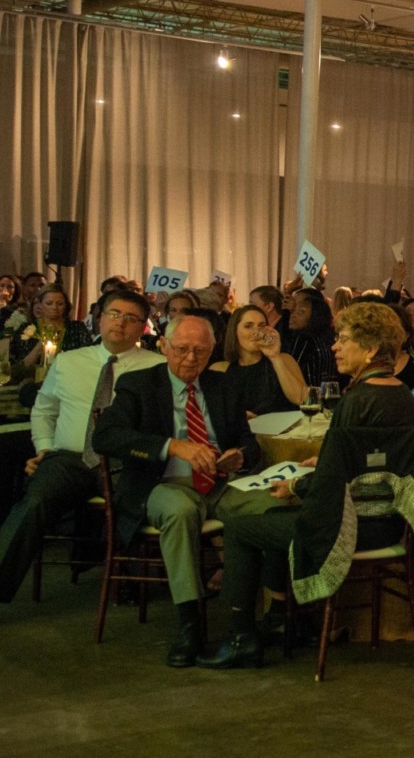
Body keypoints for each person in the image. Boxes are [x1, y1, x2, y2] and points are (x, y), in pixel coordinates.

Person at [198, 301, 414, 669]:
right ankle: (283, 620)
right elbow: (375, 459)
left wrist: (297, 488)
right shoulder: (399, 394)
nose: (334, 346)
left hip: (353, 526)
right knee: (271, 516)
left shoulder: (357, 400)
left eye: (343, 339)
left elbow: (332, 487)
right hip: (390, 522)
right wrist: (326, 463)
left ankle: (241, 636)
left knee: (241, 525)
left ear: (369, 349)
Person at [93, 313, 266, 666]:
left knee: (264, 507)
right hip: (161, 482)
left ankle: (253, 619)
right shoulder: (139, 384)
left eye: (200, 352)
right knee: (181, 512)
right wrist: (172, 446)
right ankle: (190, 623)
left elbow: (251, 442)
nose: (190, 359)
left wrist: (239, 455)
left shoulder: (224, 386)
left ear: (212, 351)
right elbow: (105, 436)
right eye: (182, 350)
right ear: (164, 346)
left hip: (218, 482)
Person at [0, 289, 164, 605]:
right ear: (99, 318)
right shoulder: (69, 361)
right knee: (33, 502)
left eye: (131, 318)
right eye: (115, 314)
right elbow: (45, 409)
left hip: (124, 460)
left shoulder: (157, 368)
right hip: (70, 458)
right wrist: (44, 448)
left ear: (142, 326)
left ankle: (125, 575)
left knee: (135, 501)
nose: (121, 323)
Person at [211, 304, 310, 417]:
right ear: (234, 331)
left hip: (284, 432)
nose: (256, 332)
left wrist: (274, 357)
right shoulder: (220, 369)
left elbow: (303, 400)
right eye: (248, 326)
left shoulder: (283, 359)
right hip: (245, 432)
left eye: (262, 326)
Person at [6, 285, 92, 379]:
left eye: (60, 304)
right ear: (40, 305)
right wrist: (38, 349)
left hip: (71, 378)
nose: (55, 307)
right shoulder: (27, 329)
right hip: (32, 380)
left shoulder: (77, 328)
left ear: (66, 306)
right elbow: (17, 368)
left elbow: (88, 357)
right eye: (49, 303)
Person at [284, 287, 338, 390]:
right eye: (293, 311)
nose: (293, 315)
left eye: (301, 312)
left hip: (306, 399)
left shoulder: (303, 339)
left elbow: (291, 373)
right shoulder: (327, 339)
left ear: (315, 316)